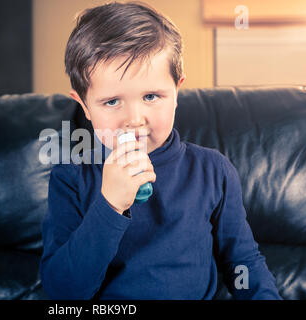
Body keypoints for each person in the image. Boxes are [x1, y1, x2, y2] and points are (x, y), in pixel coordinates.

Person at [39, 1, 282, 300]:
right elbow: (63, 293)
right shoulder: (69, 179)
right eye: (112, 101)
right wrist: (109, 206)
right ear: (85, 107)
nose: (134, 119)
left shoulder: (212, 171)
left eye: (151, 96)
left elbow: (242, 263)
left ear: (177, 92)